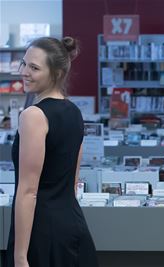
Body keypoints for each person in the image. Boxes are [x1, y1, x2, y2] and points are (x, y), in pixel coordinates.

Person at [7, 37, 98, 266]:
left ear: (56, 73)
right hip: (73, 227)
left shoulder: (33, 116)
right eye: (24, 64)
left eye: (34, 68)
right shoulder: (74, 112)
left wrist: (20, 257)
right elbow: (73, 182)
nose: (24, 72)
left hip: (40, 233)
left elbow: (28, 191)